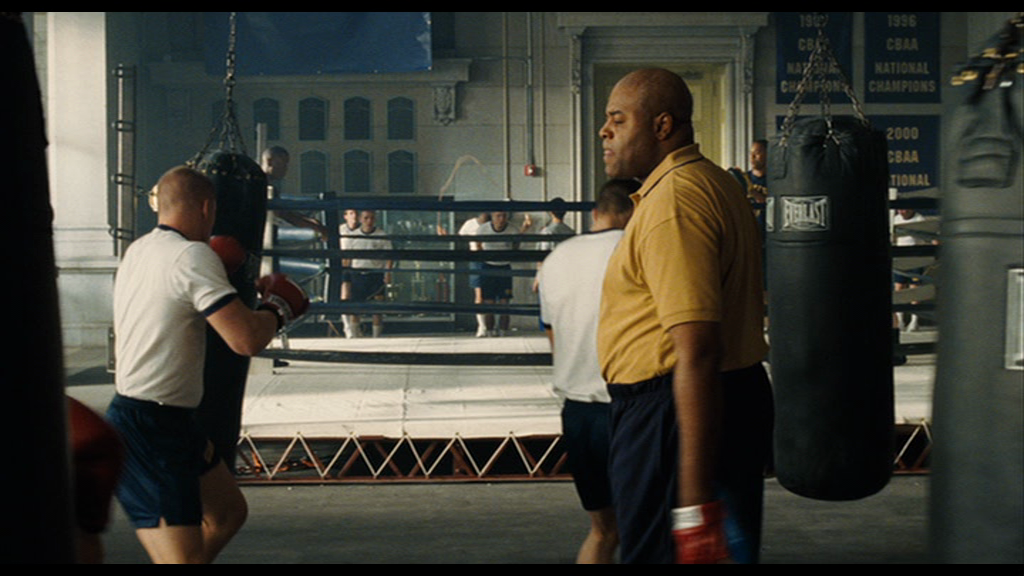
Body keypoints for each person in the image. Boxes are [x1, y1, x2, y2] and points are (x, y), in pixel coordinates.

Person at [596, 68, 772, 564]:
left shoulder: (674, 201)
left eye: (618, 120)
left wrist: (693, 501)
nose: (605, 131)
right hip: (715, 398)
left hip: (672, 411)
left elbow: (697, 349)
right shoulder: (710, 181)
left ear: (662, 125)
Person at [106, 166, 308, 563]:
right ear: (206, 207)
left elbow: (175, 302)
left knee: (227, 514)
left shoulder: (140, 250)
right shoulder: (192, 256)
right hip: (150, 428)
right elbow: (246, 339)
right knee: (180, 559)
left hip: (168, 420)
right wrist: (278, 308)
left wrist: (224, 281)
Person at [536, 180, 637, 563]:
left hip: (577, 412)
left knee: (603, 531)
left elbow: (553, 335)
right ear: (637, 210)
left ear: (595, 213)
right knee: (648, 528)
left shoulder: (557, 257)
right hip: (630, 407)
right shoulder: (636, 248)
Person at [341, 209, 394, 338]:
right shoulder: (353, 236)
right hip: (357, 274)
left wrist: (388, 273)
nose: (369, 221)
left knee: (377, 308)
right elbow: (347, 258)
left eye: (372, 218)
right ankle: (355, 337)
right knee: (355, 308)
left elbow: (390, 256)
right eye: (366, 218)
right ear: (360, 219)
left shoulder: (382, 235)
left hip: (375, 274)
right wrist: (345, 275)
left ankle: (376, 337)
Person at [475, 210, 519, 336]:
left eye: (504, 215)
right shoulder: (483, 229)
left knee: (505, 302)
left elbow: (516, 246)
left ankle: (503, 330)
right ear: (492, 217)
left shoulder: (513, 230)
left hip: (504, 267)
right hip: (488, 266)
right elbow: (478, 245)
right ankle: (489, 330)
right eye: (498, 216)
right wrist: (486, 257)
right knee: (489, 302)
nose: (501, 219)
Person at [456, 213, 491, 337]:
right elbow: (460, 238)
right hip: (476, 259)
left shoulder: (494, 223)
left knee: (491, 296)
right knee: (479, 295)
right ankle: (482, 326)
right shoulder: (470, 224)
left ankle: (492, 326)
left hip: (492, 259)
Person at [532, 197, 576, 294]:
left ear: (551, 212)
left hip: (551, 276)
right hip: (567, 275)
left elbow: (543, 257)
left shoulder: (547, 231)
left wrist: (537, 279)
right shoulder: (570, 232)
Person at [338, 208, 362, 338]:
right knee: (345, 296)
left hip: (359, 267)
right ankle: (347, 328)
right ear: (345, 216)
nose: (354, 216)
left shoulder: (363, 230)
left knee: (356, 298)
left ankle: (356, 327)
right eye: (351, 213)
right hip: (344, 267)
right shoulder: (340, 230)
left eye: (356, 213)